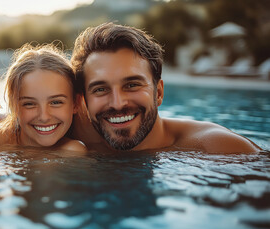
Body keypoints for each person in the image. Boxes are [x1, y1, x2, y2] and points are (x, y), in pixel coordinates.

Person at [69, 22, 261, 153]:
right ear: (83, 100)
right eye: (100, 89)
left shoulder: (216, 147)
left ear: (158, 92)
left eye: (132, 85)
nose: (118, 103)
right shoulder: (75, 141)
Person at [0, 43, 86, 152]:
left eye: (55, 102)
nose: (44, 117)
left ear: (75, 103)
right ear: (14, 106)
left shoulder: (72, 151)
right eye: (29, 104)